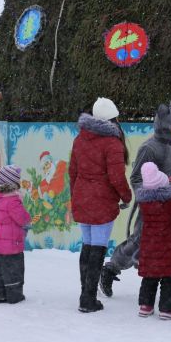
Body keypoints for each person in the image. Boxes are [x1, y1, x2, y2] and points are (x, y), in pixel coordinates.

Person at [101, 103, 171, 302]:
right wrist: (151, 199)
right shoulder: (149, 148)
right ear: (162, 126)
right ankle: (111, 268)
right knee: (139, 241)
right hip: (152, 208)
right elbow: (136, 179)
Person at [69, 98, 132, 313]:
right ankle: (88, 298)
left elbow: (72, 173)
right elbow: (116, 177)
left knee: (87, 246)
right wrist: (127, 196)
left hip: (82, 198)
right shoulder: (112, 143)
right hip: (102, 201)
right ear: (113, 118)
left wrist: (75, 197)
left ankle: (85, 293)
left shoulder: (79, 139)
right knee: (97, 248)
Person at [136, 162, 171, 320]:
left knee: (149, 277)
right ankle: (166, 309)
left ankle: (145, 306)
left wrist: (167, 183)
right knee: (168, 277)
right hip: (168, 247)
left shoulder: (144, 202)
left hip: (149, 247)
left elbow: (157, 189)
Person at [0, 165, 31, 304]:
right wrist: (27, 218)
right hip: (13, 243)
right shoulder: (12, 201)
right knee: (14, 270)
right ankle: (14, 295)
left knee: (0, 269)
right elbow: (22, 218)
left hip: (0, 244)